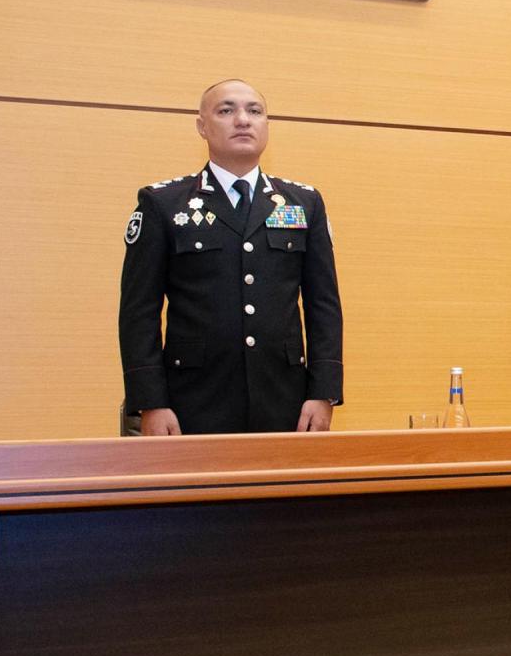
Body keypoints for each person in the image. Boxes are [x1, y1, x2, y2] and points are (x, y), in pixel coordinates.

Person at [119, 79, 343, 434]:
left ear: (267, 124)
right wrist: (151, 402)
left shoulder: (304, 203)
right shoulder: (163, 204)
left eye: (255, 111)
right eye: (226, 110)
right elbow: (139, 312)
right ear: (202, 127)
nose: (243, 120)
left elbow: (324, 306)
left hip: (285, 400)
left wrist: (323, 392)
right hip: (191, 401)